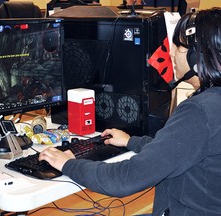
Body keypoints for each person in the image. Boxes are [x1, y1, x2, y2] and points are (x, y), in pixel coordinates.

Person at [39, 8, 221, 215]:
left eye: (178, 47)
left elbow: (124, 180)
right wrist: (131, 141)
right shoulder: (211, 105)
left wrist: (69, 164)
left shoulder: (200, 112)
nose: (170, 53)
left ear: (197, 57)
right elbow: (179, 149)